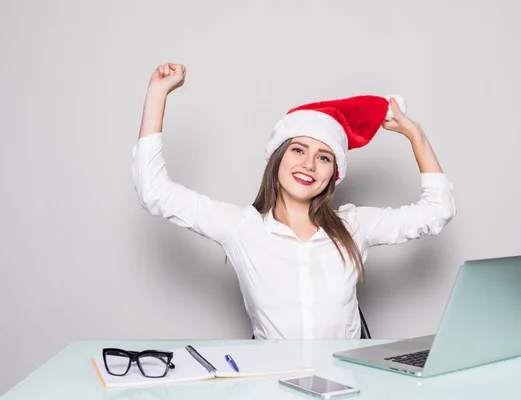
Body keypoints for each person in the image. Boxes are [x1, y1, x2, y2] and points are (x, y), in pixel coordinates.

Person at [132, 63, 456, 340]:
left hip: (350, 384)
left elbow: (438, 210)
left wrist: (417, 136)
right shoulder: (243, 228)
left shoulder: (353, 226)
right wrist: (157, 93)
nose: (309, 165)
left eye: (324, 157)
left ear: (333, 173)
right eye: (298, 150)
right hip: (274, 384)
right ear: (279, 158)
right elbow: (155, 191)